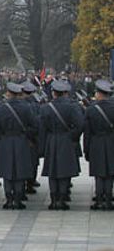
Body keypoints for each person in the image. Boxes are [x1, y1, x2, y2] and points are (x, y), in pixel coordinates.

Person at [39, 80, 83, 210]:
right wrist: (72, 136)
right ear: (65, 93)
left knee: (52, 171)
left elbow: (42, 129)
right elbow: (80, 125)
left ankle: (53, 200)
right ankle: (62, 200)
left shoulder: (45, 108)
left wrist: (42, 146)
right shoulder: (72, 107)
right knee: (64, 171)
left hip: (52, 139)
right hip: (66, 139)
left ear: (54, 93)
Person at [0, 83, 37, 210]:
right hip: (21, 142)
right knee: (20, 172)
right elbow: (34, 126)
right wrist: (28, 136)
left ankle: (8, 200)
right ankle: (18, 200)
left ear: (8, 93)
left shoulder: (0, 108)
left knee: (7, 173)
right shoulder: (26, 108)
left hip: (5, 142)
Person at [84, 80, 114, 210]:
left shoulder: (91, 110)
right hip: (111, 142)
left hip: (96, 143)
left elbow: (87, 132)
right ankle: (108, 201)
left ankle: (99, 200)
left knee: (99, 173)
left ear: (99, 94)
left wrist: (86, 150)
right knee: (109, 173)